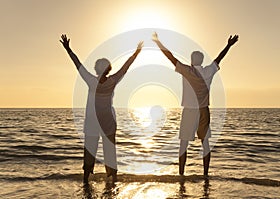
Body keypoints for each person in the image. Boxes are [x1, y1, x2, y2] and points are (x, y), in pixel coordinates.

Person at [60, 34, 143, 183]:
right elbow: (125, 67)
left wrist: (68, 49)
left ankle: (86, 180)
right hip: (108, 121)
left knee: (90, 151)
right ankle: (112, 180)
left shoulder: (91, 80)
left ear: (97, 68)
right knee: (110, 152)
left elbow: (78, 64)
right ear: (108, 69)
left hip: (92, 121)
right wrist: (136, 53)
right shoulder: (112, 80)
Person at [152, 32, 238, 176]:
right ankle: (205, 174)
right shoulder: (208, 71)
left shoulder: (186, 70)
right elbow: (219, 58)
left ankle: (181, 174)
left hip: (189, 112)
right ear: (202, 61)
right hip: (204, 110)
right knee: (205, 144)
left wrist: (158, 42)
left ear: (192, 61)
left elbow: (170, 57)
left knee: (183, 145)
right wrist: (228, 45)